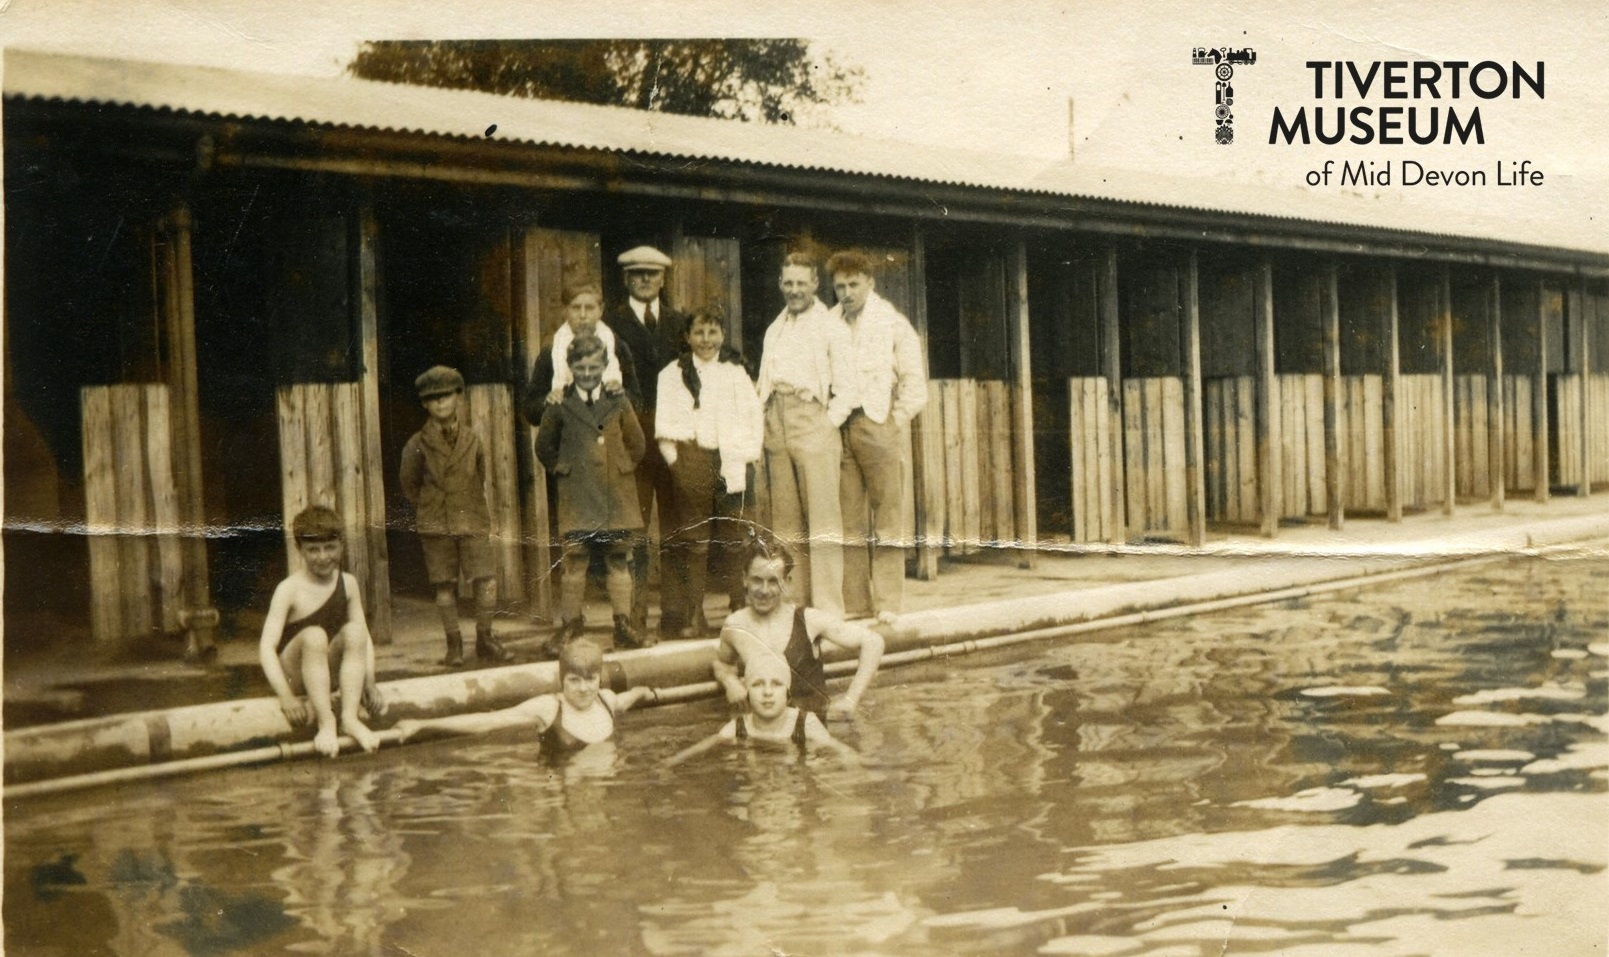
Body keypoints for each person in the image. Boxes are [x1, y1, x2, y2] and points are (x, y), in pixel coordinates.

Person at [826, 250, 929, 625]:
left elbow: (915, 384)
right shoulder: (828, 322)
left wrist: (892, 420)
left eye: (854, 284)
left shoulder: (892, 323)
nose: (847, 292)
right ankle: (855, 603)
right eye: (840, 286)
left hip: (878, 424)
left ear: (870, 282)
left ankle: (887, 603)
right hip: (840, 428)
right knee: (847, 520)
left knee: (887, 517)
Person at [755, 253, 856, 617]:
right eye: (788, 283)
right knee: (785, 521)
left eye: (801, 283)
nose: (794, 290)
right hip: (776, 420)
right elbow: (766, 379)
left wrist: (828, 423)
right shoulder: (775, 327)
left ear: (815, 284)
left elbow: (848, 385)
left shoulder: (831, 327)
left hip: (813, 418)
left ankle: (828, 607)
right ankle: (793, 602)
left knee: (823, 518)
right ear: (781, 285)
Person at [537, 333, 649, 654]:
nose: (587, 373)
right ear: (570, 367)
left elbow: (637, 443)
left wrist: (622, 467)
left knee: (618, 559)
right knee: (575, 561)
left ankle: (623, 625)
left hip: (616, 495)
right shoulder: (559, 404)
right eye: (580, 367)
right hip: (578, 495)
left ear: (604, 366)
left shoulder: (618, 400)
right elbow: (544, 446)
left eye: (594, 366)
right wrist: (562, 468)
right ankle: (571, 626)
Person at [655, 306, 763, 638]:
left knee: (735, 537)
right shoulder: (671, 374)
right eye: (699, 332)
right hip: (692, 458)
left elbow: (753, 416)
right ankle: (693, 614)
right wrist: (677, 463)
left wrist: (748, 457)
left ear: (722, 335)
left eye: (713, 331)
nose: (706, 339)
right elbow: (664, 428)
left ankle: (740, 609)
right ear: (687, 337)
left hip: (732, 458)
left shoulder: (735, 372)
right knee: (695, 540)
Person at [399, 365, 511, 667]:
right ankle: (454, 645)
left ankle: (485, 638)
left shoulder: (472, 439)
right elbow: (410, 485)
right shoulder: (417, 444)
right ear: (424, 403)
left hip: (470, 518)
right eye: (432, 398)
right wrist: (434, 505)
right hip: (437, 523)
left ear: (458, 397)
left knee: (486, 579)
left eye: (446, 396)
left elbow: (480, 476)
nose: (440, 403)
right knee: (444, 585)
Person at [604, 246, 690, 636]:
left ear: (663, 279)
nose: (645, 280)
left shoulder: (680, 322)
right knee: (633, 533)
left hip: (672, 441)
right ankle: (635, 619)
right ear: (626, 279)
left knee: (675, 528)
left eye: (652, 274)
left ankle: (674, 614)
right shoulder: (610, 323)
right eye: (637, 274)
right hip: (632, 442)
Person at [258, 506, 385, 757]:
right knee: (314, 635)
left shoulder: (348, 584)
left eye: (330, 547)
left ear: (342, 545)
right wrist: (285, 695)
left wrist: (369, 681)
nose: (323, 556)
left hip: (326, 673)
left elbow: (364, 640)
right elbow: (266, 647)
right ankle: (326, 722)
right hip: (296, 675)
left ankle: (349, 718)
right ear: (300, 550)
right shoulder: (289, 589)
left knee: (356, 631)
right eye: (313, 550)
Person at [712, 539, 884, 721]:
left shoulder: (808, 620)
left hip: (813, 735)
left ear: (787, 583)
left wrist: (850, 699)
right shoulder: (735, 625)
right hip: (766, 732)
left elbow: (873, 642)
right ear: (744, 579)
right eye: (757, 580)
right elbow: (722, 663)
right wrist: (730, 682)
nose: (764, 590)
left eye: (773, 582)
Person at [394, 640, 652, 756]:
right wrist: (421, 725)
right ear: (561, 680)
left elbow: (630, 696)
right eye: (574, 680)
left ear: (599, 679)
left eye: (590, 680)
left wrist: (649, 692)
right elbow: (488, 721)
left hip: (604, 799)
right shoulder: (548, 708)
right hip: (562, 803)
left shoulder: (607, 700)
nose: (584, 689)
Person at [667, 652, 857, 766]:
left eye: (776, 684)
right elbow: (703, 747)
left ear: (787, 693)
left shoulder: (805, 723)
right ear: (747, 692)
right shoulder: (740, 726)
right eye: (758, 684)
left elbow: (841, 751)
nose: (767, 692)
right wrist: (667, 765)